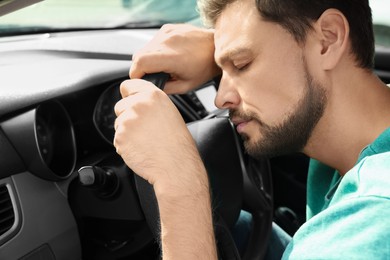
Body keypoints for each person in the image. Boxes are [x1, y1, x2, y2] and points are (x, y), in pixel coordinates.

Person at [114, 0, 390, 258]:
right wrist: (219, 49)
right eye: (223, 71)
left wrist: (179, 183)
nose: (222, 99)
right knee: (240, 225)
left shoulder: (373, 213)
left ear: (328, 39)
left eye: (242, 64)